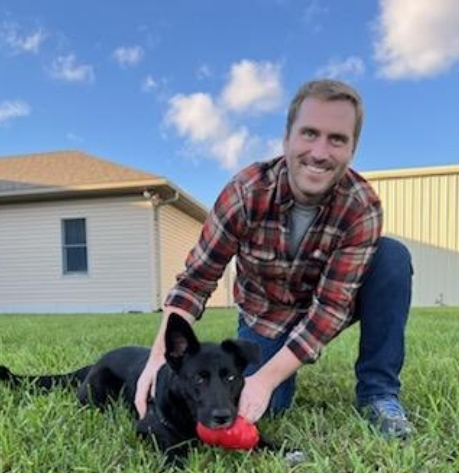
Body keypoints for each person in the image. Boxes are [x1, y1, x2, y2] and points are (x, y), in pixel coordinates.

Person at [133, 79, 413, 438]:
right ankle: (277, 377)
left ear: (352, 148)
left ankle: (379, 393)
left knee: (391, 257)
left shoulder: (361, 207)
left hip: (322, 308)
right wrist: (158, 358)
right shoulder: (246, 193)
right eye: (309, 134)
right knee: (263, 407)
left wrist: (264, 378)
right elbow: (196, 280)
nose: (320, 152)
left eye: (337, 139)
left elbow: (329, 310)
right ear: (287, 138)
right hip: (264, 319)